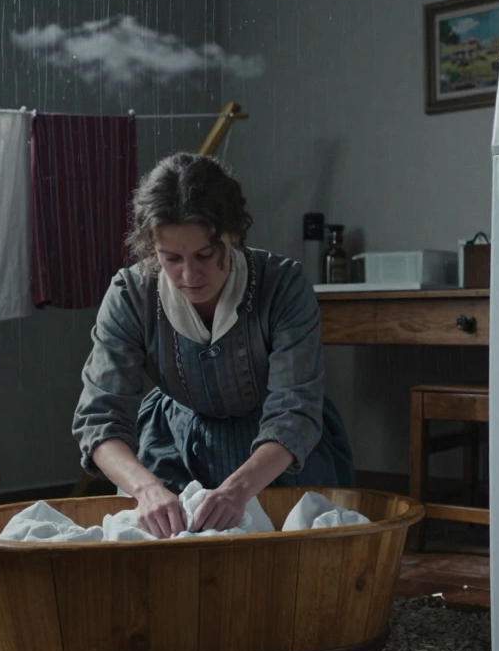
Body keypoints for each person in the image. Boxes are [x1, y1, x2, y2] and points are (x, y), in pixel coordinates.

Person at [71, 152, 355, 539]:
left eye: (205, 254)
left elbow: (295, 410)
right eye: (171, 258)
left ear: (233, 233)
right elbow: (100, 418)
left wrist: (237, 491)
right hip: (173, 447)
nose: (190, 275)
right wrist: (147, 489)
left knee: (290, 558)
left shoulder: (282, 285)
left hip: (279, 455)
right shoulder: (131, 295)